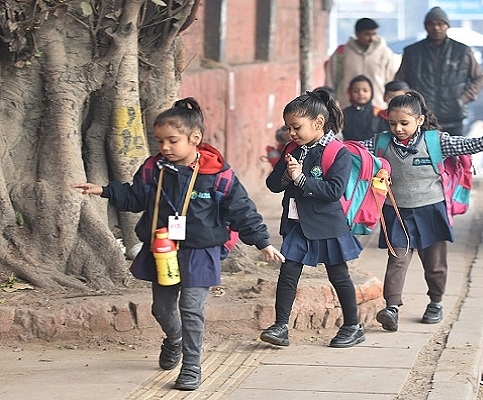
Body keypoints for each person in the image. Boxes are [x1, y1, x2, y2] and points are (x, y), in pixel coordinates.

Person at [72, 98, 285, 391]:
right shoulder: (154, 168)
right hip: (163, 249)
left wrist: (262, 241)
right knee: (161, 308)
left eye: (172, 141)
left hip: (201, 249)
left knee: (191, 307)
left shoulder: (217, 174)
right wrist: (104, 190)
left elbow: (241, 210)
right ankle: (175, 340)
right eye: (160, 141)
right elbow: (136, 197)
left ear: (194, 139)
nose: (165, 147)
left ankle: (191, 367)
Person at [359, 90, 483, 330]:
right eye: (392, 123)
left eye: (404, 123)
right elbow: (353, 153)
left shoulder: (436, 141)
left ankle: (435, 301)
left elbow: (468, 145)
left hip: (431, 211)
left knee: (434, 263)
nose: (398, 128)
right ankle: (392, 307)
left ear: (419, 120)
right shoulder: (380, 142)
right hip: (397, 213)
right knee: (397, 260)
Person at [260, 88, 366, 348]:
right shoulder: (292, 149)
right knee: (288, 272)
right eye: (288, 128)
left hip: (328, 224)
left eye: (296, 127)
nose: (291, 133)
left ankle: (353, 326)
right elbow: (273, 184)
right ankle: (280, 326)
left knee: (339, 275)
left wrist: (302, 180)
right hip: (297, 224)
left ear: (318, 123)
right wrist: (287, 174)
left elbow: (333, 191)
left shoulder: (337, 152)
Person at [394, 6, 483, 136]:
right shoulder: (412, 52)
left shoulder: (462, 51)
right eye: (431, 24)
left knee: (454, 155)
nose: (436, 27)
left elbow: (479, 77)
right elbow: (399, 81)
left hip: (454, 117)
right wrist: (411, 102)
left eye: (440, 24)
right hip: (421, 118)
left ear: (447, 26)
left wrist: (463, 99)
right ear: (426, 27)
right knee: (424, 155)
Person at [325, 17, 397, 110]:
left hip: (378, 108)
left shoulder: (385, 53)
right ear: (357, 34)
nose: (372, 38)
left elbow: (391, 81)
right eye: (367, 34)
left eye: (374, 34)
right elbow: (330, 80)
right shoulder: (341, 53)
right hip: (346, 107)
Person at [342, 74, 383, 141]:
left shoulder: (378, 113)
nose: (361, 93)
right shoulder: (343, 114)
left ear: (371, 92)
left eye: (365, 90)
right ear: (350, 92)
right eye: (356, 91)